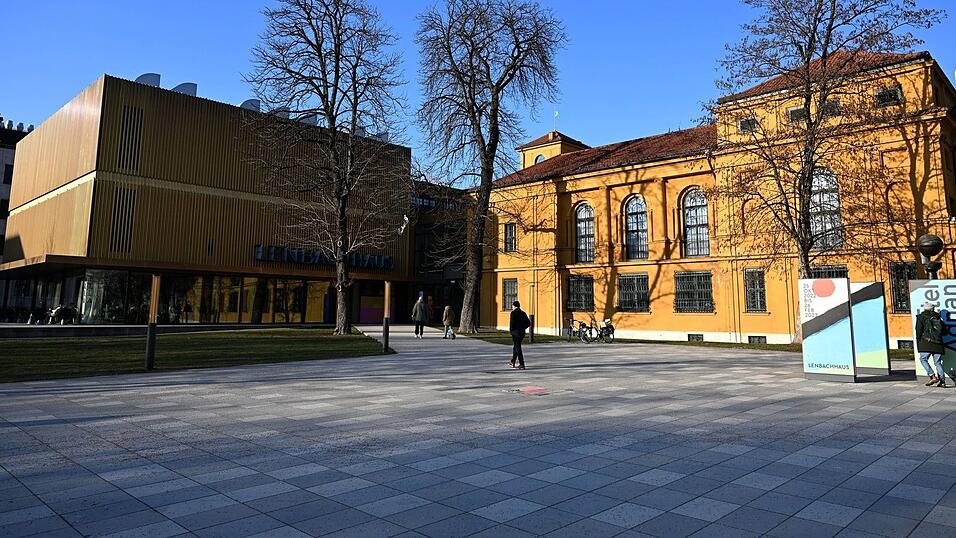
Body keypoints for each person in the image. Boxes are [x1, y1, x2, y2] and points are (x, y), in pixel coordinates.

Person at [916, 302, 947, 387]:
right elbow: (944, 332)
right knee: (937, 362)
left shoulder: (921, 317)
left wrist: (919, 340)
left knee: (923, 359)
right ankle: (942, 381)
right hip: (938, 343)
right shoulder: (938, 318)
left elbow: (918, 330)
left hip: (926, 343)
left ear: (924, 308)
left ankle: (932, 376)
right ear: (932, 309)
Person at [509, 300, 531, 369]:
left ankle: (522, 364)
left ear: (514, 306)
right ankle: (513, 361)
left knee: (517, 347)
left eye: (512, 306)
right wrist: (523, 328)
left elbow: (512, 323)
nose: (512, 307)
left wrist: (511, 330)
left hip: (515, 333)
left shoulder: (513, 313)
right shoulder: (523, 313)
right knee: (516, 346)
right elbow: (528, 323)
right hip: (522, 332)